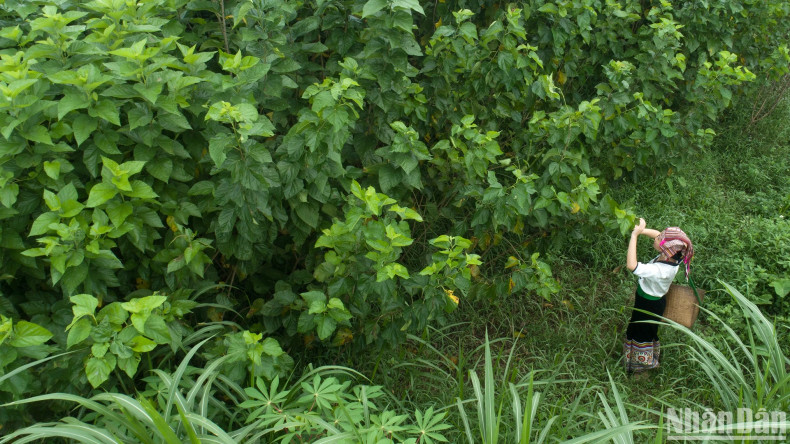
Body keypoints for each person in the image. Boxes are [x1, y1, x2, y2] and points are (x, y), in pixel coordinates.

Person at [623, 218, 694, 374]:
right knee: (641, 329)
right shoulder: (675, 256)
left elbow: (631, 265)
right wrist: (641, 230)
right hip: (650, 300)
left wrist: (634, 236)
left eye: (660, 239)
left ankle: (642, 369)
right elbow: (657, 235)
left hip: (648, 304)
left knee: (643, 334)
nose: (656, 238)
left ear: (666, 250)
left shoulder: (660, 270)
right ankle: (642, 361)